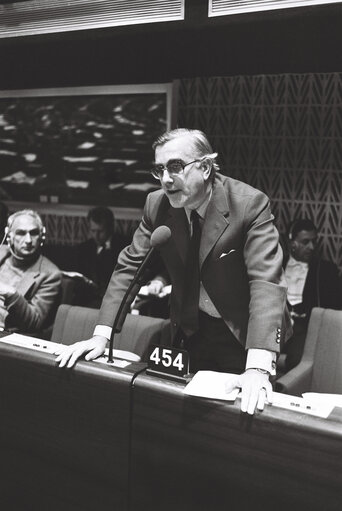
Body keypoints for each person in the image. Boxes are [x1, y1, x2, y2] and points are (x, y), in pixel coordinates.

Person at [56, 128, 292, 415]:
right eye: (159, 169)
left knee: (240, 423)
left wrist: (257, 366)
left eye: (176, 167)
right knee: (179, 418)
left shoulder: (249, 204)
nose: (166, 179)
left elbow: (265, 282)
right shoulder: (157, 204)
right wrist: (100, 335)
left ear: (205, 167)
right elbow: (130, 266)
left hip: (242, 335)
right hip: (189, 328)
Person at [283, 218, 341, 370]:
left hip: (305, 329)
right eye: (305, 242)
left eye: (314, 241)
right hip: (277, 325)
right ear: (292, 243)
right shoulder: (276, 265)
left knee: (297, 360)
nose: (312, 247)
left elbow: (335, 308)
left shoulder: (326, 271)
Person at [0, 209, 61, 333]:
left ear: (42, 236)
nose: (28, 240)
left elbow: (34, 322)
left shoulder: (50, 274)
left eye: (33, 233)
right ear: (9, 236)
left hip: (7, 335)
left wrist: (11, 293)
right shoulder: (1, 252)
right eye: (21, 233)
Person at [68, 207, 127, 307]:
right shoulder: (83, 249)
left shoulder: (124, 247)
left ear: (110, 228)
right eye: (93, 231)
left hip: (115, 299)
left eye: (100, 231)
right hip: (88, 299)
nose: (96, 236)